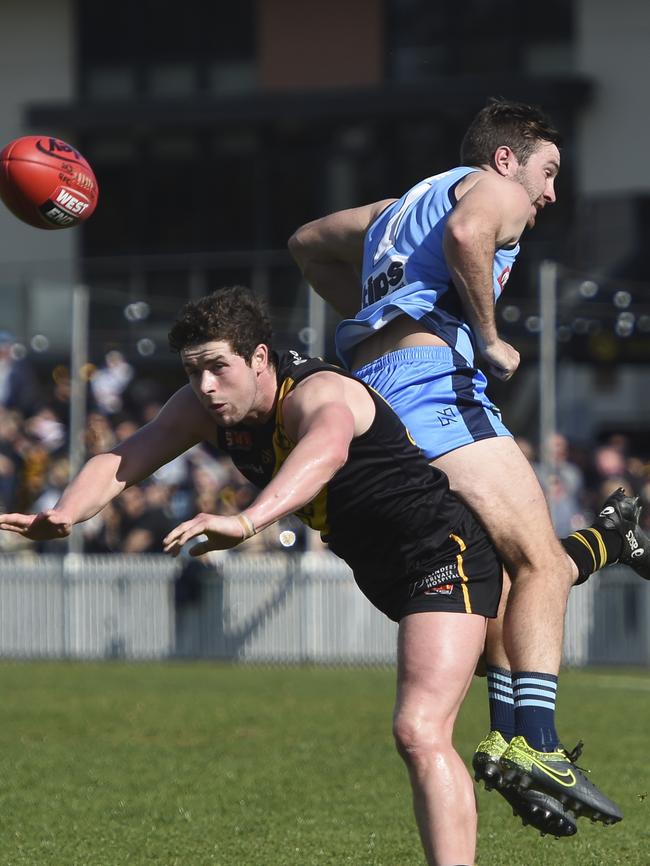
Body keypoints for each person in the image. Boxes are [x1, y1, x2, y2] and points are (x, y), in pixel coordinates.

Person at [0, 286, 630, 864]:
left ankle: (517, 756)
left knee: (419, 729)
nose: (206, 386)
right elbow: (131, 452)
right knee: (522, 609)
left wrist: (248, 521)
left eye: (217, 366)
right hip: (389, 571)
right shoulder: (208, 406)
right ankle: (611, 539)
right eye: (193, 371)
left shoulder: (319, 393)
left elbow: (323, 454)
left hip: (442, 556)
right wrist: (65, 512)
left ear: (260, 358)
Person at [288, 98, 650, 832]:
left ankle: (507, 734)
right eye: (547, 172)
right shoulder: (494, 189)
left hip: (378, 397)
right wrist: (488, 335)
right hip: (434, 387)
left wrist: (374, 315)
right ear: (507, 157)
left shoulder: (397, 207)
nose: (547, 194)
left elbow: (304, 242)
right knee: (543, 564)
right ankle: (538, 746)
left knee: (498, 567)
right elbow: (467, 232)